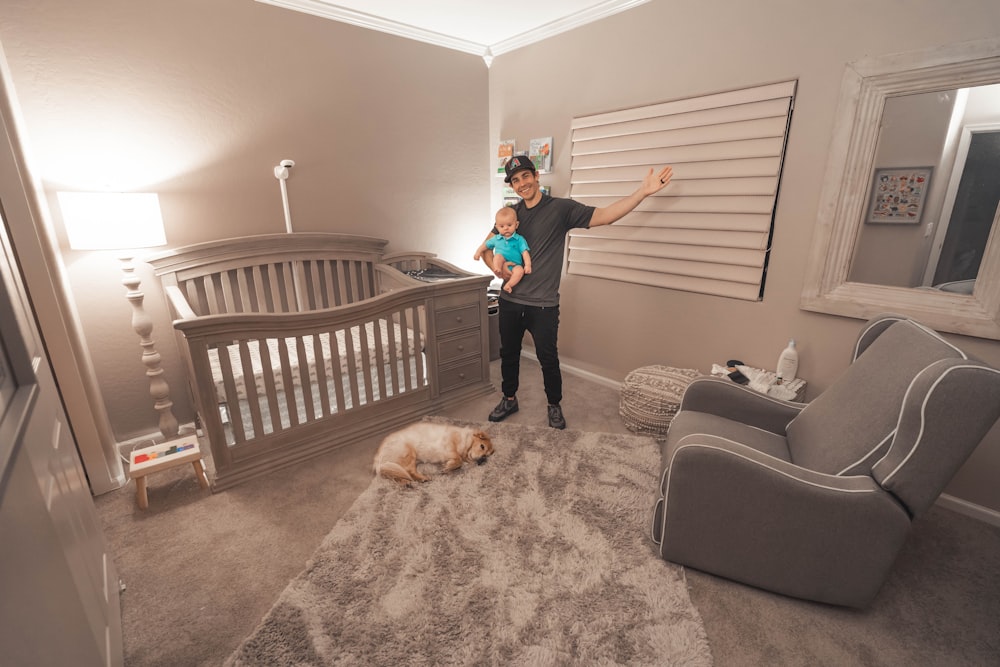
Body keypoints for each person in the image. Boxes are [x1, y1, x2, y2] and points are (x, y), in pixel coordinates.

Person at [480, 153, 673, 429]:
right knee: (509, 354)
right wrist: (498, 271)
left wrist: (642, 192)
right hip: (510, 301)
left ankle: (554, 405)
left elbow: (605, 216)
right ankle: (509, 399)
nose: (522, 183)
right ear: (512, 186)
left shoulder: (561, 209)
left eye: (525, 176)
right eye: (515, 180)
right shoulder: (511, 216)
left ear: (536, 176)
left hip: (544, 305)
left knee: (548, 358)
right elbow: (486, 248)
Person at [474, 206, 532, 293]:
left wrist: (528, 265)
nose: (506, 228)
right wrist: (478, 252)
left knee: (520, 271)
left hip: (515, 265)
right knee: (498, 256)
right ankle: (498, 269)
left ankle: (509, 285)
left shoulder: (519, 239)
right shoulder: (496, 239)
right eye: (502, 226)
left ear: (516, 225)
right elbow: (485, 246)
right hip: (501, 263)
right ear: (497, 227)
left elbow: (525, 253)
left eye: (509, 225)